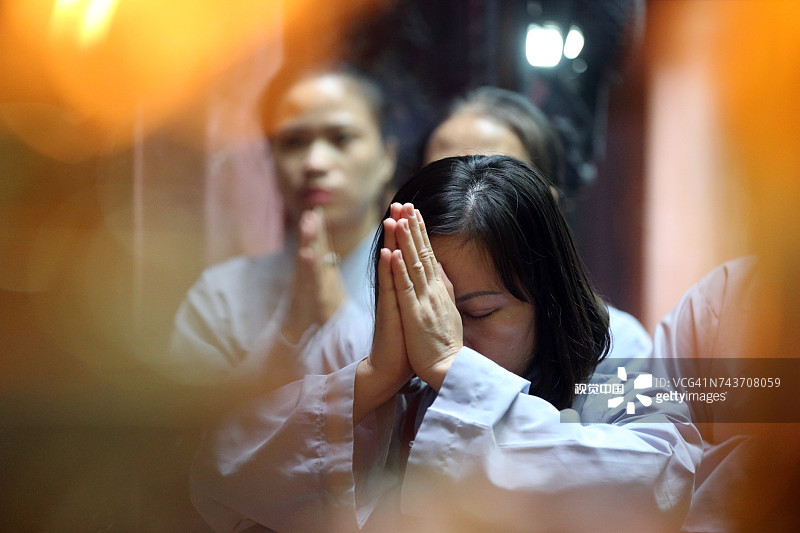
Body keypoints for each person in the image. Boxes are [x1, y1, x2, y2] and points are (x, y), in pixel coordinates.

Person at [190, 156, 701, 532]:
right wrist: (372, 381)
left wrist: (453, 368)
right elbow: (220, 473)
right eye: (423, 304)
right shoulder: (361, 342)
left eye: (478, 312)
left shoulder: (612, 354)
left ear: (547, 300)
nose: (439, 328)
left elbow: (661, 482)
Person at [167, 64, 397, 409]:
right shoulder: (221, 297)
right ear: (270, 162)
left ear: (386, 158)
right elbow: (186, 428)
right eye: (293, 142)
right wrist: (290, 330)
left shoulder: (430, 282)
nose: (315, 163)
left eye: (342, 139)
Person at [422, 86, 652, 363]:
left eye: (497, 183)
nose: (466, 200)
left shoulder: (619, 346)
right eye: (443, 182)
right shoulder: (383, 339)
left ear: (548, 210)